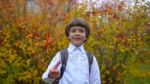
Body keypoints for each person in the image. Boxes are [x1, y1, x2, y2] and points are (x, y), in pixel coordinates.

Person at [42, 17, 101, 84]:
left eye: (81, 31)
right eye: (73, 31)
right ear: (68, 35)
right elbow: (46, 79)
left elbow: (96, 81)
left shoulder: (91, 58)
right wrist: (50, 75)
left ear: (86, 36)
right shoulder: (61, 55)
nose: (77, 34)